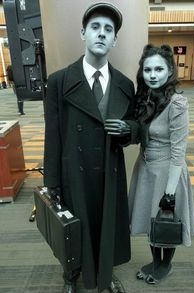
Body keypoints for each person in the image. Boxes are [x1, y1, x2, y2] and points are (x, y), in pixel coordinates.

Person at [43, 2, 139, 293]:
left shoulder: (124, 85)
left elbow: (135, 124)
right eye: (95, 27)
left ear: (115, 40)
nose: (101, 34)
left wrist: (129, 130)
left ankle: (105, 273)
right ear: (83, 33)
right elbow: (53, 136)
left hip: (110, 170)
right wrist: (52, 183)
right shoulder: (59, 81)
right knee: (73, 228)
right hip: (74, 171)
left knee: (106, 223)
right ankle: (71, 275)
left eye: (108, 29)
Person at [128, 44, 194, 285]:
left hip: (169, 170)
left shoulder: (177, 103)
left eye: (159, 69)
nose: (153, 75)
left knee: (167, 219)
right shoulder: (144, 97)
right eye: (148, 70)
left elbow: (179, 152)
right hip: (146, 167)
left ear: (170, 71)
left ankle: (165, 265)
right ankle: (155, 261)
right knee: (150, 218)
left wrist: (170, 191)